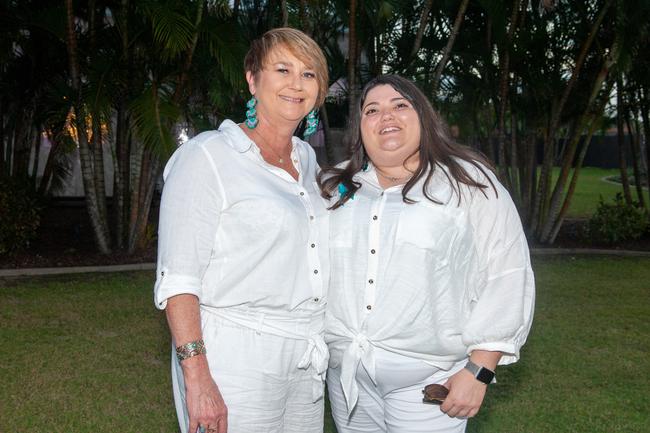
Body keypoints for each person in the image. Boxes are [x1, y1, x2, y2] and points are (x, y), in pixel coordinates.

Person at [318, 75, 535, 433]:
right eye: (372, 110)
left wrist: (480, 370)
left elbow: (507, 271)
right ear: (360, 129)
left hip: (425, 382)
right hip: (348, 380)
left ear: (424, 117)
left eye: (400, 105)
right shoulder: (334, 186)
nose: (386, 115)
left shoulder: (467, 183)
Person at [154, 28, 330, 433]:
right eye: (282, 69)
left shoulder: (308, 161)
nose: (296, 83)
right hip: (234, 358)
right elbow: (179, 277)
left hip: (306, 360)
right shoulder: (208, 156)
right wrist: (196, 377)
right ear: (252, 79)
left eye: (309, 74)